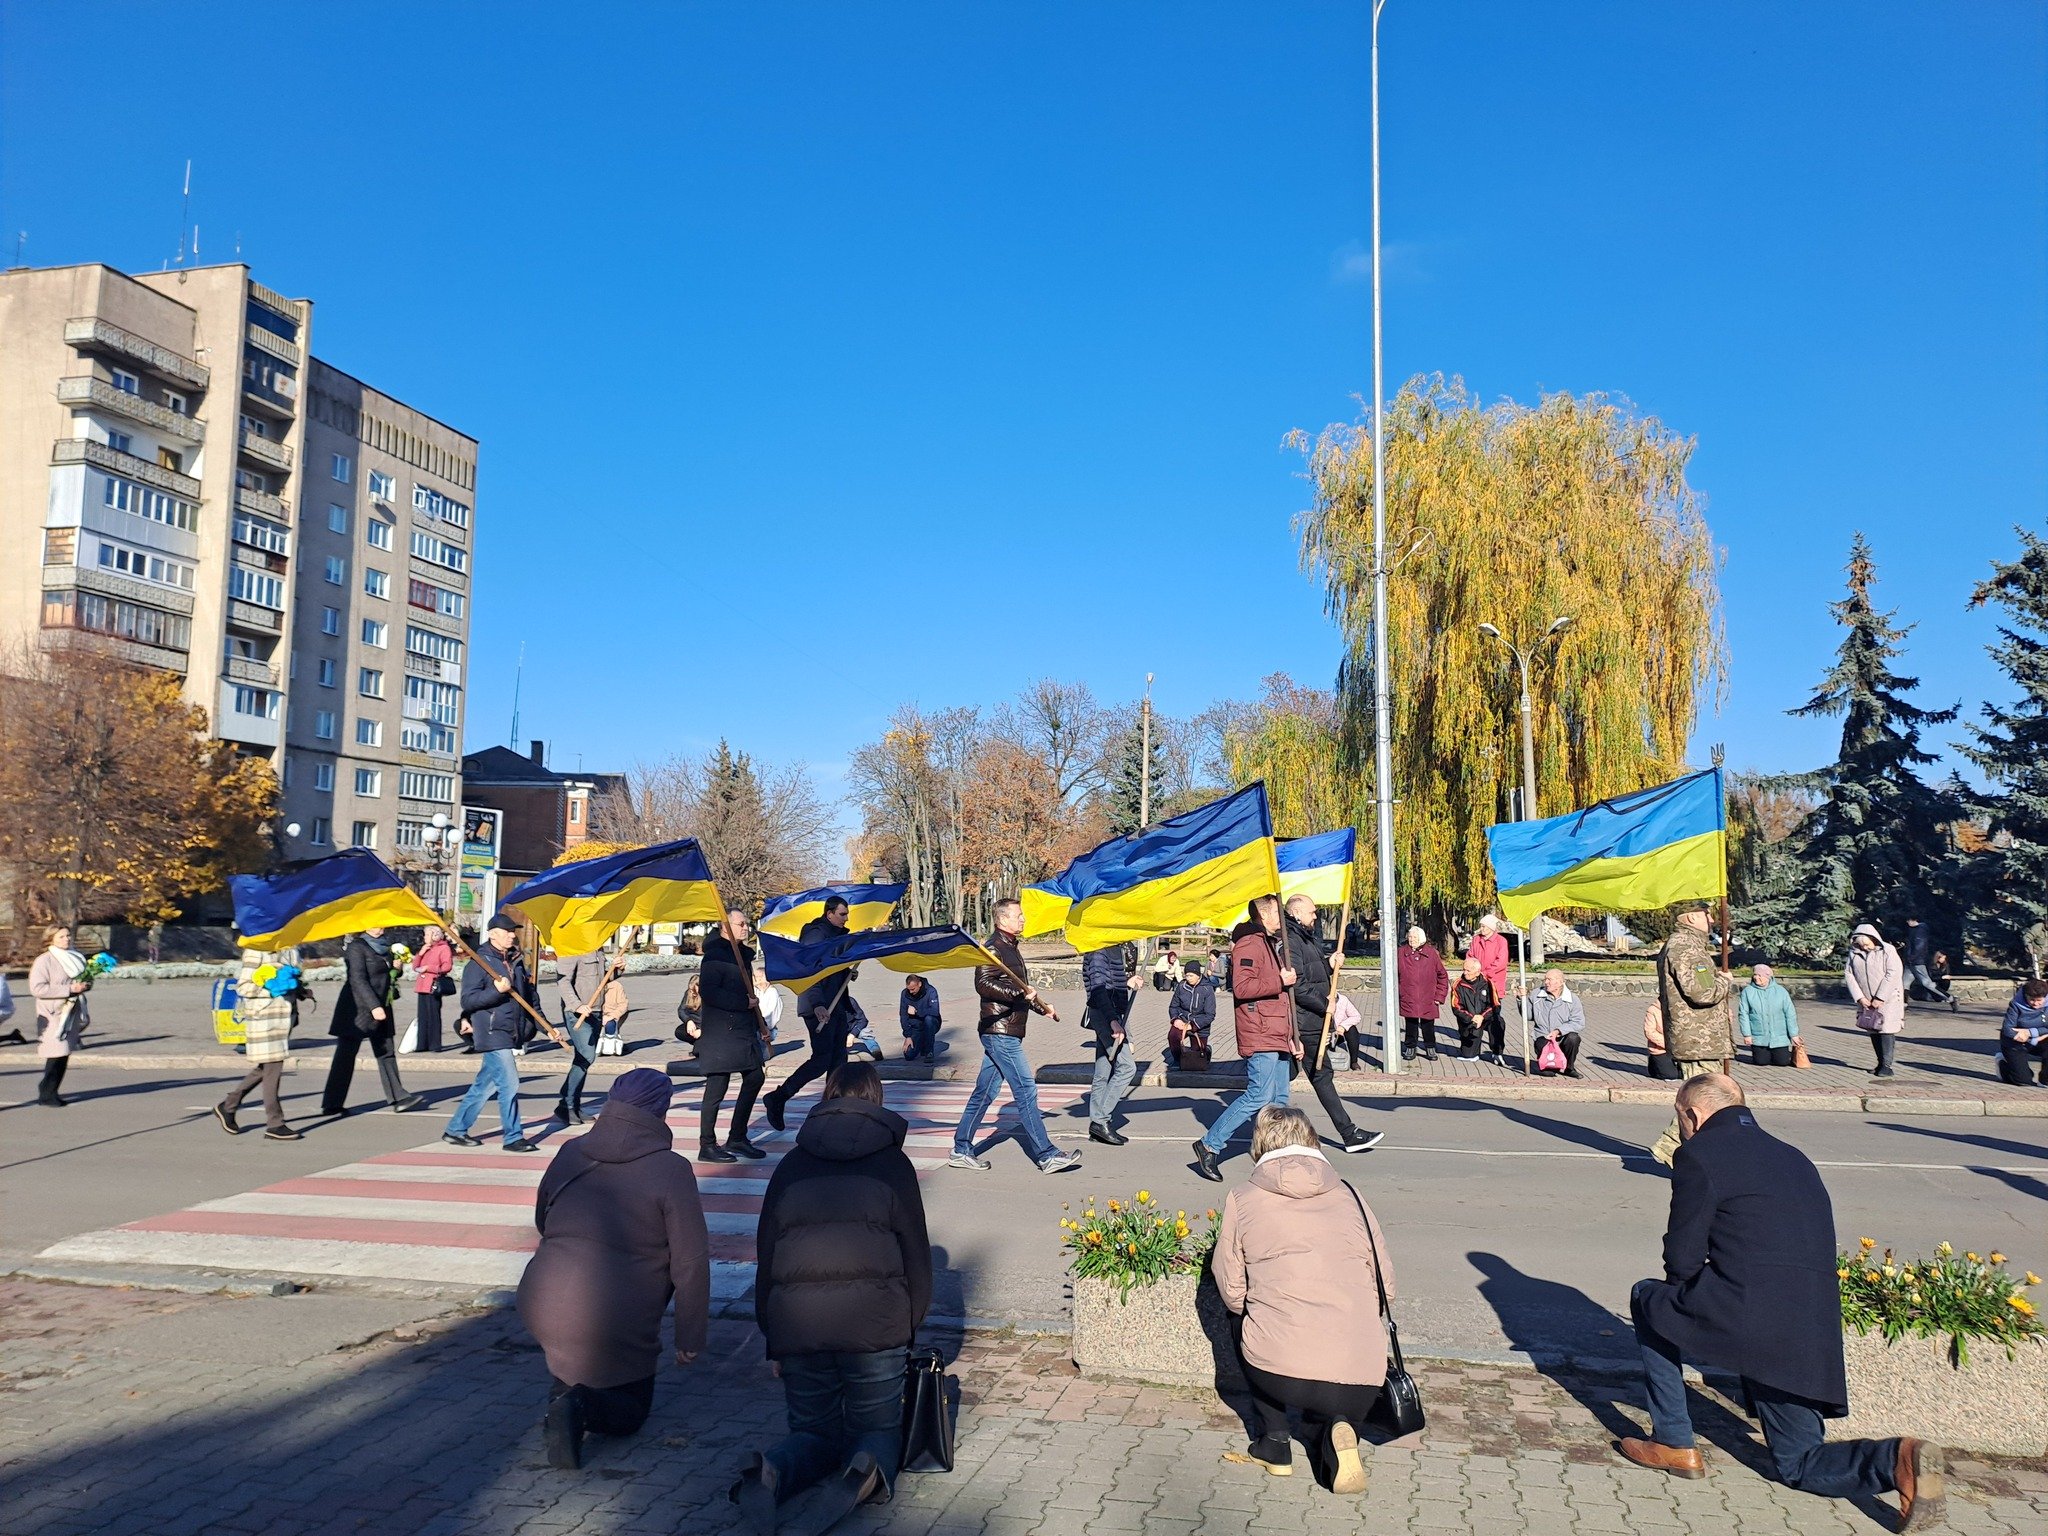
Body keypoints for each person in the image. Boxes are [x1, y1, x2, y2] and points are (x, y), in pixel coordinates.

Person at [1621, 1075, 1947, 1531]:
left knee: (1649, 1297)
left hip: (1752, 1317)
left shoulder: (1699, 1153)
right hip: (1810, 1331)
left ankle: (1673, 1441)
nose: (1681, 1129)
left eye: (1679, 1119)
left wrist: (1692, 1311)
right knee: (1797, 1462)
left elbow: (1682, 1258)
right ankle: (1895, 1459)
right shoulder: (1795, 1157)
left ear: (1691, 1114)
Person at [734, 1064, 932, 1532]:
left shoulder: (791, 1164)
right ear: (876, 1100)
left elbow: (767, 1254)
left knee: (812, 1431)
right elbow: (916, 1256)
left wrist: (773, 1335)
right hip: (876, 1325)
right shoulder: (893, 1165)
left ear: (827, 1096)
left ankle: (772, 1473)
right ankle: (861, 1476)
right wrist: (909, 1325)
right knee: (876, 1428)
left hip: (799, 1324)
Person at [517, 1067, 710, 1471]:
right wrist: (689, 1337)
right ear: (661, 1110)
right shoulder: (671, 1169)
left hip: (543, 1296)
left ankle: (564, 1402)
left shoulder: (571, 1150)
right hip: (617, 1313)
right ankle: (579, 1407)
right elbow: (690, 1263)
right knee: (630, 1415)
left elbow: (542, 1218)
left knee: (571, 1356)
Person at [1212, 1105, 1390, 1494]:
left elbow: (1231, 1286)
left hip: (1279, 1375)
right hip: (1362, 1378)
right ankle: (1336, 1425)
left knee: (1241, 1316)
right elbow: (1385, 1284)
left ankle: (1274, 1442)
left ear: (1260, 1144)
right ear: (1312, 1141)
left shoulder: (1243, 1197)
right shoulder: (1350, 1195)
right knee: (1342, 1329)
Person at [948, 897, 1081, 1174]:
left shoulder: (1010, 947)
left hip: (1005, 1029)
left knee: (985, 1091)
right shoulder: (993, 948)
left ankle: (961, 1149)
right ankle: (1047, 1155)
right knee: (1025, 1089)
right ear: (1002, 919)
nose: (1023, 920)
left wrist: (1041, 1007)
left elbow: (1021, 989)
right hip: (1000, 1031)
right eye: (1018, 916)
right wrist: (1019, 994)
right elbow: (984, 984)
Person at [1192, 895, 1298, 1182]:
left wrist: (1290, 1036)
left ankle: (1274, 1153)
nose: (1281, 916)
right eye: (1277, 911)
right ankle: (1209, 1145)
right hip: (1260, 1031)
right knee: (1259, 1095)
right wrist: (1280, 980)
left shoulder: (1270, 943)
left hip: (1276, 1033)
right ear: (1264, 915)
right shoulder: (1250, 943)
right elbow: (1242, 987)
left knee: (1279, 1098)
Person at [444, 913, 563, 1151]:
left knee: (485, 1086)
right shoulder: (479, 963)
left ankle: (456, 1129)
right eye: (507, 931)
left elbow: (530, 1000)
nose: (512, 935)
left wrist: (546, 1028)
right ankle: (513, 1137)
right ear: (492, 934)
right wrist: (496, 991)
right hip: (491, 1031)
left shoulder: (516, 960)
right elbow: (468, 1001)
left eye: (513, 931)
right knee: (509, 1083)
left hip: (512, 1031)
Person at [1283, 894, 1382, 1153]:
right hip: (1304, 1022)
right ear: (1296, 913)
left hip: (1315, 1020)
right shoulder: (1291, 940)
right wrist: (1323, 1004)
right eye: (1312, 912)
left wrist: (1329, 964)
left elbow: (1313, 973)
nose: (1315, 916)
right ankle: (1348, 1134)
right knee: (1310, 1076)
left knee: (1303, 1076)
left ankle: (1347, 1134)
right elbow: (1298, 985)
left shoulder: (1306, 937)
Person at [1650, 902, 1736, 1166]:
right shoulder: (1687, 948)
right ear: (1689, 918)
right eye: (1705, 914)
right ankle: (1670, 1149)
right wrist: (1725, 981)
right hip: (1699, 1039)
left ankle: (1687, 1152)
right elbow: (1703, 992)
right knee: (1705, 1100)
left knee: (1707, 1099)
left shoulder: (1686, 946)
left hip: (1700, 1038)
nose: (1711, 919)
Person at [762, 897, 854, 1132]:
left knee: (839, 1060)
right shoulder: (816, 934)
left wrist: (847, 973)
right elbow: (808, 971)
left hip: (835, 1004)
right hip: (819, 1006)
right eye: (842, 914)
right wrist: (817, 1004)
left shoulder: (835, 934)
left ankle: (832, 1110)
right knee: (821, 1060)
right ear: (829, 914)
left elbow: (832, 968)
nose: (846, 919)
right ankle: (778, 1097)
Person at [321, 927, 424, 1117]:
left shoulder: (386, 945)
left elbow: (388, 974)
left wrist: (397, 968)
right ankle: (332, 1103)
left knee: (386, 1052)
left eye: (381, 925)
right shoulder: (357, 947)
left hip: (382, 1004)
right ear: (365, 926)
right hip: (357, 1008)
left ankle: (399, 1098)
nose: (379, 928)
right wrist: (373, 1006)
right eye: (375, 925)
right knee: (345, 1056)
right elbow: (357, 979)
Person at [696, 909, 769, 1164]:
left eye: (747, 923)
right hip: (721, 1031)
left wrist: (760, 1024)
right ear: (725, 927)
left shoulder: (742, 955)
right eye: (741, 924)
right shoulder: (715, 956)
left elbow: (749, 994)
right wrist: (742, 1003)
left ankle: (737, 1136)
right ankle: (707, 1144)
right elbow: (709, 992)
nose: (746, 928)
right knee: (717, 1086)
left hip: (743, 1030)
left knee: (755, 1077)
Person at [214, 948, 309, 1140]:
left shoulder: (291, 949)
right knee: (273, 1067)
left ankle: (228, 1105)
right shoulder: (256, 950)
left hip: (284, 1017)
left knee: (266, 1067)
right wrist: (270, 986)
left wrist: (298, 989)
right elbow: (244, 987)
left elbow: (292, 978)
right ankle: (275, 1123)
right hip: (264, 1018)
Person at [1082, 940, 1142, 1146]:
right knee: (1127, 1067)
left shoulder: (1114, 948)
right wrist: (1112, 1021)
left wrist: (1127, 982)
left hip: (1111, 1013)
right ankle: (1100, 1120)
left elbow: (1110, 983)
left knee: (1103, 1071)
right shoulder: (1098, 951)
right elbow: (1099, 990)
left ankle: (1097, 1126)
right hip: (1106, 1014)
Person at [29, 925, 92, 1107]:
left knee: (64, 1053)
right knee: (57, 1051)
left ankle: (50, 1090)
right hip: (52, 1013)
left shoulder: (75, 957)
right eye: (61, 936)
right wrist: (69, 989)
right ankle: (47, 1093)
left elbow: (83, 979)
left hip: (71, 1011)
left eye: (68, 936)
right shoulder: (44, 960)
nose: (66, 939)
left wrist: (85, 985)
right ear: (51, 939)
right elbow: (37, 988)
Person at [555, 945, 610, 1125]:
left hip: (595, 1011)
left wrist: (617, 969)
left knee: (582, 1059)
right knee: (587, 1055)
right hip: (577, 1013)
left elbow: (600, 980)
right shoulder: (571, 947)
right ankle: (567, 1103)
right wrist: (577, 1005)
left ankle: (573, 1105)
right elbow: (563, 981)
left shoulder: (597, 948)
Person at [1847, 923, 1906, 1079]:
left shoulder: (1888, 951)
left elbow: (1893, 974)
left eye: (1867, 944)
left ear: (1874, 939)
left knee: (1886, 1029)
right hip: (1866, 1000)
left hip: (1888, 999)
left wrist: (1880, 997)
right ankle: (1880, 1063)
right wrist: (1860, 997)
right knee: (1873, 1028)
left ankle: (1887, 1065)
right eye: (1861, 945)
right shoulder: (1853, 953)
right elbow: (1849, 975)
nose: (1865, 948)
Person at [1396, 925, 1450, 1062]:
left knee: (1428, 1025)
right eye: (1410, 936)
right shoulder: (1400, 953)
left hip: (1428, 997)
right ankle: (1410, 1047)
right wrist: (1398, 994)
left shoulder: (1431, 953)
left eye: (1414, 937)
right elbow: (1393, 975)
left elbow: (1442, 975)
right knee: (1411, 1024)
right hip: (1408, 995)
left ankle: (1430, 1047)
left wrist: (1439, 996)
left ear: (1421, 938)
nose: (1411, 939)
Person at [1522, 968, 1586, 1077]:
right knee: (1548, 1073)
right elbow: (1528, 1016)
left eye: (1549, 979)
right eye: (1545, 979)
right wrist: (1521, 999)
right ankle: (1550, 1065)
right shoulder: (1536, 994)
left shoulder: (1572, 999)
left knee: (1573, 1038)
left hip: (1563, 1037)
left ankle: (1568, 1068)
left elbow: (1579, 1022)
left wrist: (1558, 1031)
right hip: (1543, 1035)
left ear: (1560, 982)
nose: (1546, 982)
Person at [1738, 963, 1800, 1068]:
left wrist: (1794, 1034)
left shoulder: (1781, 991)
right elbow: (1743, 1014)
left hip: (1779, 1037)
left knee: (1782, 1062)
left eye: (1759, 975)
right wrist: (1747, 1035)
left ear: (1768, 977)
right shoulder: (1747, 992)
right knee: (1761, 1061)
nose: (1756, 978)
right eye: (1755, 975)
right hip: (1759, 1036)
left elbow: (1790, 1013)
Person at [408, 923, 455, 1053]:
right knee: (422, 1016)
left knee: (433, 1015)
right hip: (422, 986)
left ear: (435, 935)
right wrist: (420, 953)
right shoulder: (425, 948)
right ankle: (422, 1044)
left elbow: (447, 966)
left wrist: (429, 968)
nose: (425, 937)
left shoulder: (444, 948)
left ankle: (435, 1045)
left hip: (433, 985)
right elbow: (415, 966)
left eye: (427, 934)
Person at [1450, 956, 1505, 1064]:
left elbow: (1496, 1005)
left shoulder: (1488, 983)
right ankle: (1471, 1051)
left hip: (1485, 1018)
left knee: (1498, 1022)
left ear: (1477, 972)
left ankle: (1497, 1052)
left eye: (1468, 971)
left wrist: (1482, 1017)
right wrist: (1472, 1018)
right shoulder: (1458, 984)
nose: (1465, 973)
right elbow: (1456, 1007)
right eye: (1464, 970)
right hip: (1469, 1020)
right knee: (1469, 1055)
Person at [1996, 978, 2048, 1086]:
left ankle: (2044, 1080)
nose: (2035, 1003)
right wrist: (2033, 1036)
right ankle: (2003, 1065)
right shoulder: (2016, 1004)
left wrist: (2030, 1033)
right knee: (2023, 1081)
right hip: (2015, 1041)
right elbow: (2008, 1029)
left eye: (2039, 1000)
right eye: (2032, 1000)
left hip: (2036, 1039)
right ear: (2026, 996)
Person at [1166, 960, 1216, 1071]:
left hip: (1199, 1024)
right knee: (1173, 1036)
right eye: (1187, 975)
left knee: (1197, 1055)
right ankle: (1177, 1059)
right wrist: (1175, 1019)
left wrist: (1193, 1025)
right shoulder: (1181, 986)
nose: (1188, 978)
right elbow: (1173, 1006)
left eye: (1191, 975)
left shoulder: (1207, 989)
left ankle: (1206, 1051)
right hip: (1183, 1019)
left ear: (1198, 975)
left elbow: (1210, 1015)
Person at [1466, 915, 1511, 1017]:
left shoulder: (1501, 941)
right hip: (1477, 981)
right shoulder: (1476, 939)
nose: (1481, 929)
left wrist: (1486, 973)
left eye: (1483, 926)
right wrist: (1472, 970)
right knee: (1476, 1011)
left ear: (1491, 927)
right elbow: (1470, 956)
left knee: (1494, 1011)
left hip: (1494, 981)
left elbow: (1501, 961)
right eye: (1481, 926)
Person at [1902, 917, 1952, 1009]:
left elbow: (1919, 947)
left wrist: (1910, 958)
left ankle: (1950, 998)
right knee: (1904, 983)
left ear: (1914, 920)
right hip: (1911, 962)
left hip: (1917, 962)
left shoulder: (1920, 931)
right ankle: (1904, 1004)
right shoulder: (1913, 930)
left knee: (1927, 983)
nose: (1907, 922)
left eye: (1908, 920)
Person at [898, 974, 945, 1062]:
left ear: (919, 984)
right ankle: (921, 1043)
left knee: (928, 1019)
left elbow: (935, 1011)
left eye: (913, 989)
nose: (910, 992)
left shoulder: (931, 991)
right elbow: (903, 1015)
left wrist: (917, 1011)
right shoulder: (904, 994)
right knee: (908, 1055)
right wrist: (908, 1036)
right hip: (916, 1027)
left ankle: (929, 1051)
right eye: (909, 989)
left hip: (931, 1024)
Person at [1644, 999, 1683, 1080]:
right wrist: (1668, 1044)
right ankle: (1654, 1066)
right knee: (1671, 1075)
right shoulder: (1653, 1010)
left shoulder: (1680, 1007)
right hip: (1661, 1050)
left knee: (1689, 1073)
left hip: (1679, 1049)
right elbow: (1649, 1032)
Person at [674, 974, 704, 1058]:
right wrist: (688, 1021)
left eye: (695, 988)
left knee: (697, 1052)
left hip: (705, 1026)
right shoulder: (689, 993)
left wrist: (702, 1030)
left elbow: (712, 1017)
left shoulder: (707, 996)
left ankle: (702, 1044)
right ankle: (698, 1043)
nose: (692, 992)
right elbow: (681, 1010)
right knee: (679, 1031)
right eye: (691, 989)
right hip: (694, 1024)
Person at [0, 970, 21, 1047]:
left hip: (3, 1010)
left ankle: (13, 1036)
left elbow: (1, 998)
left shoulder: (1, 980)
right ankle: (13, 1036)